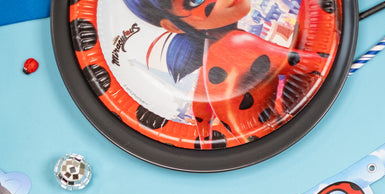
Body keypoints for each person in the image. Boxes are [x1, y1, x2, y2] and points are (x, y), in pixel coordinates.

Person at [123, 0, 336, 147]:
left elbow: (201, 110)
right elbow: (316, 63)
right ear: (172, 26)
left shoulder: (210, 56)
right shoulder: (238, 44)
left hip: (255, 141)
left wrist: (208, 145)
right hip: (284, 134)